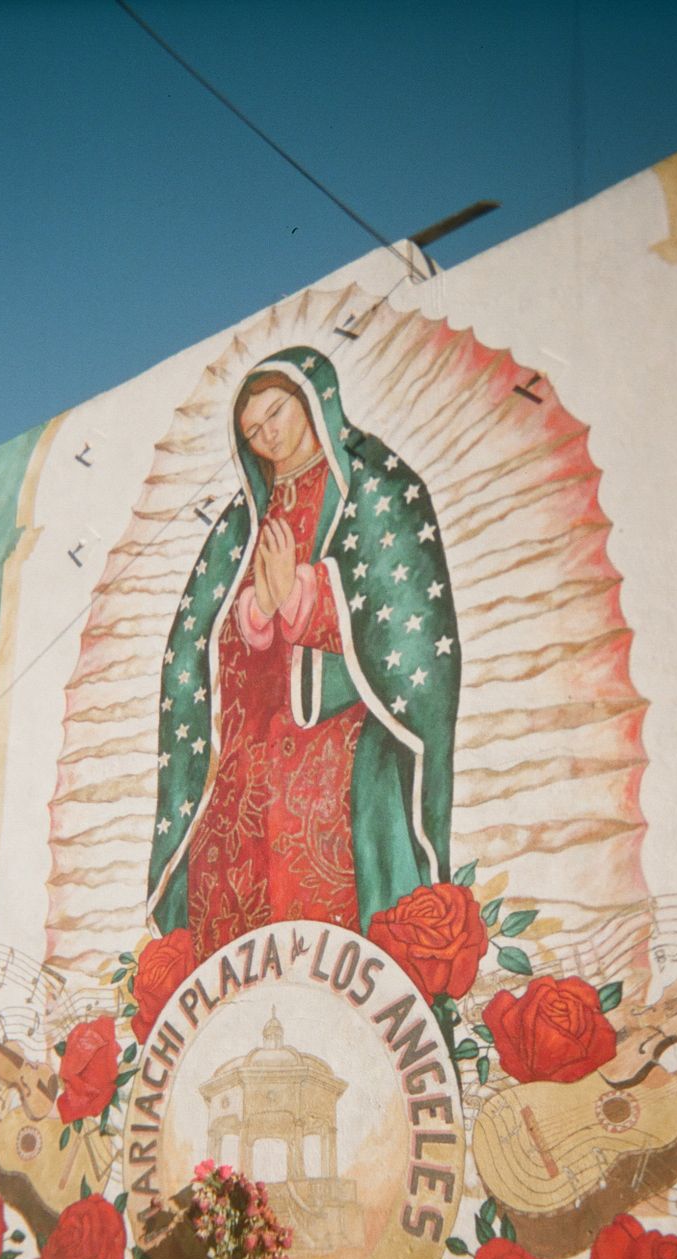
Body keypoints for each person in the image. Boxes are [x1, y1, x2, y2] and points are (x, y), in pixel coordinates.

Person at [146, 346, 460, 958]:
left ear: (314, 398)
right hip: (257, 733)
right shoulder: (245, 518)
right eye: (252, 431)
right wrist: (258, 614)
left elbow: (402, 621)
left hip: (347, 724)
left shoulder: (376, 487)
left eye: (275, 414)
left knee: (312, 828)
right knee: (228, 836)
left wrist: (303, 598)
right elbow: (209, 634)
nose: (267, 436)